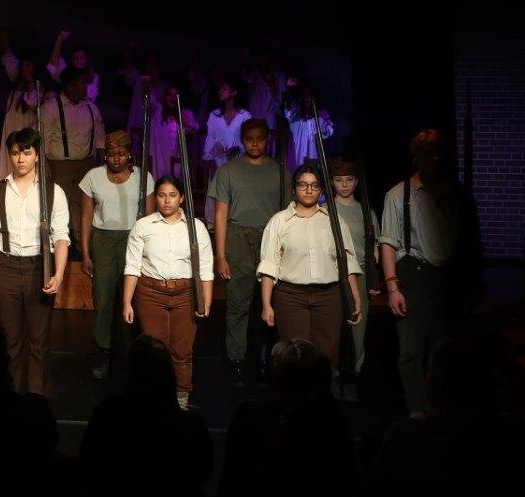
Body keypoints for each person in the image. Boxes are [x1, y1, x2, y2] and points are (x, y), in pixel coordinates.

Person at [379, 129, 469, 417]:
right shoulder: (398, 194)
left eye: (439, 152)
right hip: (414, 274)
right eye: (428, 152)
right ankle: (417, 410)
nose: (435, 158)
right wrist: (392, 287)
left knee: (445, 349)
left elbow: (470, 241)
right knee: (411, 349)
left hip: (448, 277)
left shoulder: (458, 194)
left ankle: (443, 409)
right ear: (415, 157)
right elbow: (388, 242)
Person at [0, 127, 71, 395]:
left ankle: (35, 399)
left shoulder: (53, 192)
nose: (20, 159)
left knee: (38, 341)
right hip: (6, 267)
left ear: (36, 156)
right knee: (9, 341)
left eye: (26, 152)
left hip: (39, 267)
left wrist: (60, 274)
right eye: (16, 153)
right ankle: (11, 397)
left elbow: (62, 238)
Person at [257, 165, 362, 375]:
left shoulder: (334, 220)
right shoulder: (279, 221)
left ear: (322, 190)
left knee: (327, 355)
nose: (308, 190)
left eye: (314, 185)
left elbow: (347, 262)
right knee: (294, 356)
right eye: (303, 185)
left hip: (328, 296)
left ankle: (322, 403)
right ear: (294, 188)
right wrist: (267, 304)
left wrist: (356, 297)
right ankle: (293, 404)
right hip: (290, 296)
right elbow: (269, 265)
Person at [122, 177, 213, 408]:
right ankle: (155, 399)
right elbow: (132, 266)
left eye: (172, 195)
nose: (167, 200)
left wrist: (206, 301)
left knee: (182, 348)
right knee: (154, 349)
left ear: (181, 198)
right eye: (162, 195)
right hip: (151, 292)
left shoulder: (196, 227)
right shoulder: (143, 226)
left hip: (185, 292)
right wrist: (126, 302)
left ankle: (181, 399)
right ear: (156, 197)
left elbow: (205, 268)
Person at [211, 117, 287, 386]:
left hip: (271, 238)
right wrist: (220, 255)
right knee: (238, 302)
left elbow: (289, 213)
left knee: (273, 302)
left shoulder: (280, 171)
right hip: (238, 239)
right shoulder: (228, 171)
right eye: (249, 138)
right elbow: (220, 215)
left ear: (268, 139)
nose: (255, 144)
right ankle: (237, 360)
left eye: (261, 138)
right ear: (242, 139)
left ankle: (270, 357)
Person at [78, 130, 155, 380]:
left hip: (133, 239)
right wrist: (86, 253)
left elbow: (152, 219)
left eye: (121, 153)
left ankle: (131, 350)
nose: (116, 159)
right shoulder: (93, 177)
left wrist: (148, 250)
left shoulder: (143, 178)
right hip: (103, 240)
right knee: (103, 295)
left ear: (129, 153)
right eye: (111, 154)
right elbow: (87, 217)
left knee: (132, 296)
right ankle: (104, 349)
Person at [329, 157, 381, 402]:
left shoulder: (366, 211)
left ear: (357, 182)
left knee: (357, 328)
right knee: (333, 326)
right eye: (339, 180)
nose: (345, 185)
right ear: (332, 182)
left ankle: (353, 374)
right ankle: (334, 374)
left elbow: (374, 248)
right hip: (332, 274)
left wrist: (375, 280)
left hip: (358, 272)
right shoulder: (326, 209)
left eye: (349, 180)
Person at [40, 69, 104, 256]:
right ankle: (60, 247)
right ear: (69, 86)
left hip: (86, 163)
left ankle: (80, 246)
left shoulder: (91, 107)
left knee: (83, 205)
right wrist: (44, 166)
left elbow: (99, 136)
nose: (85, 87)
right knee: (61, 204)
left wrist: (99, 165)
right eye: (81, 83)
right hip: (60, 164)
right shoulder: (51, 107)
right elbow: (42, 138)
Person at [201, 80, 251, 221]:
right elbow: (210, 140)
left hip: (237, 162)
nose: (220, 91)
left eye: (224, 88)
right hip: (219, 162)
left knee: (235, 194)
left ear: (233, 92)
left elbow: (248, 138)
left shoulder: (244, 115)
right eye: (220, 89)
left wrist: (238, 148)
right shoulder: (214, 115)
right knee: (218, 195)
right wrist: (211, 159)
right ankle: (215, 223)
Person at [0, 29, 44, 179]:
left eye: (29, 66)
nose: (26, 70)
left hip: (25, 132)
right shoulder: (16, 88)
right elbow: (9, 60)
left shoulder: (38, 88)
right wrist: (4, 39)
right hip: (12, 129)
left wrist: (31, 81)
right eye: (24, 67)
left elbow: (31, 103)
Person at [47, 29, 100, 102]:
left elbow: (89, 98)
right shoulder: (66, 73)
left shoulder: (94, 76)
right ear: (72, 60)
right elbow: (52, 67)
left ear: (86, 59)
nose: (78, 61)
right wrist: (59, 39)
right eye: (75, 58)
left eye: (82, 58)